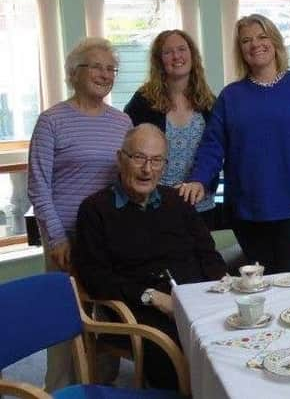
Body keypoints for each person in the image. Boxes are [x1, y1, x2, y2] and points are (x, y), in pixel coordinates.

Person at [72, 124, 226, 389]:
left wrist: (223, 281)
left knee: (238, 336)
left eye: (156, 161)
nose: (147, 169)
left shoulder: (177, 201)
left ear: (164, 165)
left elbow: (206, 251)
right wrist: (152, 296)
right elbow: (96, 277)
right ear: (121, 158)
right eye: (139, 158)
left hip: (195, 299)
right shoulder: (95, 210)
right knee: (181, 351)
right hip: (139, 310)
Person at [177, 14, 290, 274]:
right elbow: (213, 146)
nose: (255, 44)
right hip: (247, 213)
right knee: (262, 291)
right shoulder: (231, 96)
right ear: (240, 50)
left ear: (274, 42)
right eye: (246, 40)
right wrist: (199, 180)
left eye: (261, 37)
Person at [27, 37, 132, 391]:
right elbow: (38, 185)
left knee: (107, 316)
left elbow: (128, 180)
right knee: (65, 323)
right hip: (66, 239)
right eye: (97, 67)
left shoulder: (122, 122)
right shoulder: (52, 120)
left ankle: (101, 388)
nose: (105, 74)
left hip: (107, 238)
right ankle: (56, 391)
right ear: (74, 73)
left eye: (111, 69)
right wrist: (55, 237)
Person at [124, 29, 219, 229]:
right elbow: (129, 153)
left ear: (192, 56)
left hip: (200, 208)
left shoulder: (209, 103)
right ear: (159, 60)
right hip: (154, 206)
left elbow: (216, 152)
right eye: (168, 52)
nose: (177, 56)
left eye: (182, 49)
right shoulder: (142, 102)